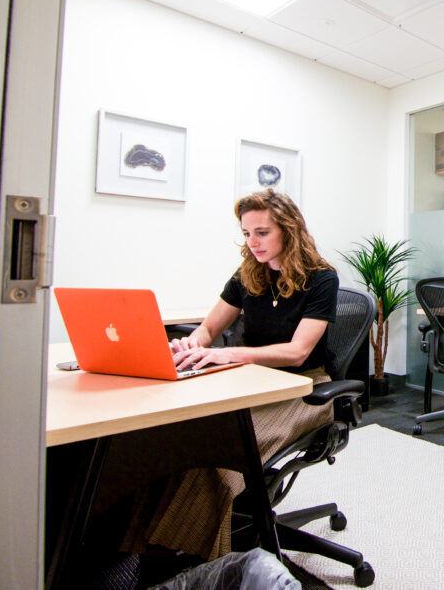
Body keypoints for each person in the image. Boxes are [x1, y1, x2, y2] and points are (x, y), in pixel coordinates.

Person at [124, 189, 339, 566]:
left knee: (220, 459)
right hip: (249, 382)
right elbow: (208, 329)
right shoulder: (247, 275)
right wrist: (189, 346)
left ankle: (202, 560)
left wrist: (227, 354)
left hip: (304, 389)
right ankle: (152, 547)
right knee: (174, 439)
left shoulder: (321, 280)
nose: (252, 242)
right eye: (246, 234)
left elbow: (297, 352)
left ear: (289, 231)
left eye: (262, 232)